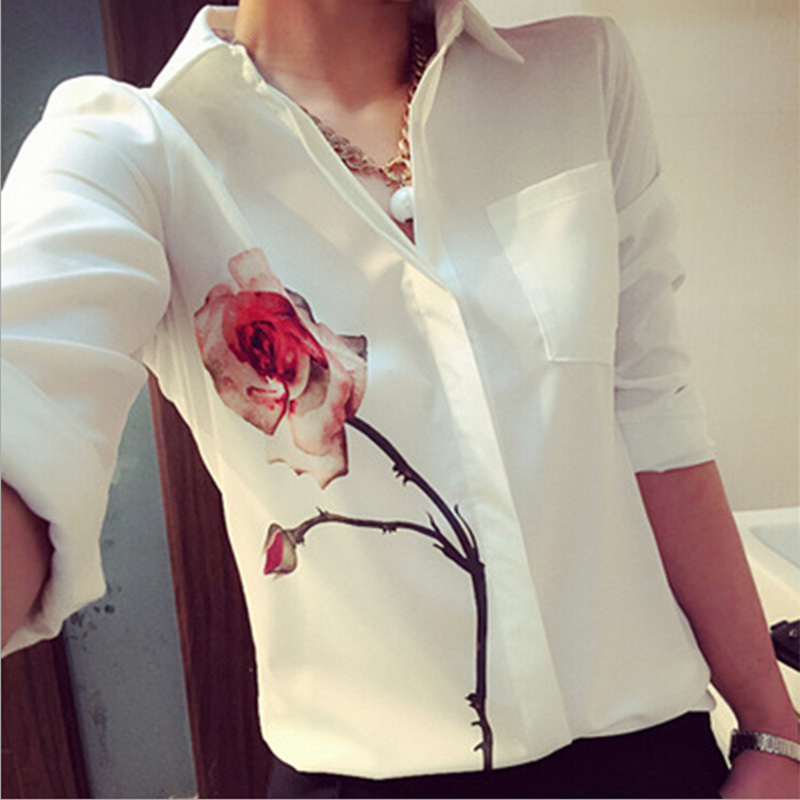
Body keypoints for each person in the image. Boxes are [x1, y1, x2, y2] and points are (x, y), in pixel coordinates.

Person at [2, 1, 798, 797]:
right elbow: (25, 392)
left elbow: (653, 412)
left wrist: (774, 729)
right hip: (365, 777)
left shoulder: (577, 76)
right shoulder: (129, 150)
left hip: (652, 759)